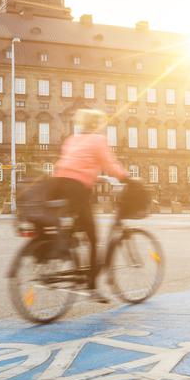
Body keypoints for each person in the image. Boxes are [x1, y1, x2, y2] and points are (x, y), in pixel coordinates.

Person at [50, 109, 128, 300]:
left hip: (59, 184)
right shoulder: (97, 140)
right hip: (78, 189)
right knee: (93, 238)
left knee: (75, 227)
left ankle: (63, 248)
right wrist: (127, 178)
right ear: (96, 124)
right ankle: (92, 287)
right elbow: (110, 165)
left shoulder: (71, 139)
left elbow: (68, 164)